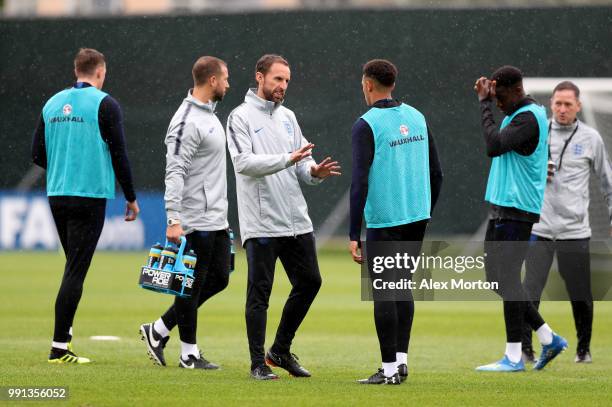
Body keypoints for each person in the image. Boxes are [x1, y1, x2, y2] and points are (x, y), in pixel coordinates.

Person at [226, 54, 340, 380]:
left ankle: (279, 350)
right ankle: (257, 364)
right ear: (259, 77)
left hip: (295, 220)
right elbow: (243, 163)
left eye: (287, 80)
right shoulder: (240, 117)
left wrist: (313, 171)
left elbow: (302, 161)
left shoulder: (288, 117)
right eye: (277, 79)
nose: (282, 86)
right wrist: (288, 159)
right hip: (261, 220)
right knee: (259, 293)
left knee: (310, 282)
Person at [31, 48, 139, 364]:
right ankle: (59, 348)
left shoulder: (52, 103)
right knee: (76, 271)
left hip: (57, 194)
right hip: (88, 196)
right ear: (100, 72)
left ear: (76, 70)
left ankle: (64, 340)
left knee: (72, 268)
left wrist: (65, 162)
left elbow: (37, 154)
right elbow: (120, 154)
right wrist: (130, 197)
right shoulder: (105, 104)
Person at [349, 59, 443, 385]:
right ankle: (401, 362)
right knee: (402, 286)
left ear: (369, 85)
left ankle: (388, 370)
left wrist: (353, 233)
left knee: (384, 292)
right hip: (416, 217)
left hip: (385, 221)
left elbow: (359, 182)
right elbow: (437, 173)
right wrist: (424, 209)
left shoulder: (366, 124)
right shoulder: (417, 116)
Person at [139, 56, 231, 370]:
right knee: (189, 284)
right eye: (226, 78)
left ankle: (160, 329)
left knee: (219, 278)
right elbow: (175, 171)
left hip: (216, 216)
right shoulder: (186, 119)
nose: (228, 85)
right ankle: (188, 354)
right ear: (213, 80)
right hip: (195, 217)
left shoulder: (209, 115)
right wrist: (174, 219)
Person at [473, 65, 568, 372]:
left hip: (518, 210)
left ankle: (514, 356)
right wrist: (491, 101)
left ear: (515, 90)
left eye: (500, 97)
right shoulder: (517, 114)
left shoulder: (529, 117)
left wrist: (484, 105)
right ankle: (548, 336)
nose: (497, 103)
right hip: (502, 207)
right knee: (498, 279)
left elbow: (493, 146)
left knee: (509, 279)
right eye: (493, 98)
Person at [522, 81, 612, 364]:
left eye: (568, 104)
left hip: (575, 230)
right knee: (529, 290)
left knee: (580, 293)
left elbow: (607, 181)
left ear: (578, 106)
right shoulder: (537, 133)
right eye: (557, 103)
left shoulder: (591, 138)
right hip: (540, 227)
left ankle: (583, 349)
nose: (562, 109)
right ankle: (525, 348)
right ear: (551, 104)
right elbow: (519, 174)